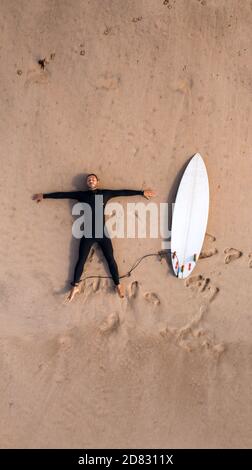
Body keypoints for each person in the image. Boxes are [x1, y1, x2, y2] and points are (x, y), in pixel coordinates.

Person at [33, 174, 155, 302]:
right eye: (89, 179)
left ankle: (118, 285)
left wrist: (141, 192)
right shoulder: (82, 195)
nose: (91, 180)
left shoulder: (105, 193)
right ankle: (75, 287)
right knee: (81, 260)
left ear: (97, 181)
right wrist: (44, 196)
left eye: (93, 179)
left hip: (103, 233)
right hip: (88, 234)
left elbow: (122, 192)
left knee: (110, 259)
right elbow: (63, 194)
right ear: (87, 183)